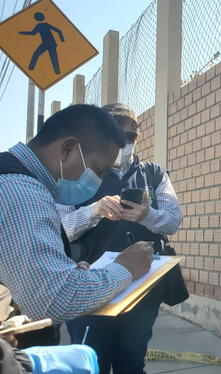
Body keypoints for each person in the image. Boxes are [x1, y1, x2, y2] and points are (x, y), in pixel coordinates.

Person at [56, 103, 187, 374]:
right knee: (93, 361)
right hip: (90, 285)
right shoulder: (75, 176)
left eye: (131, 137)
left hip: (141, 288)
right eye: (118, 135)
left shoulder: (155, 173)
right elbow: (59, 230)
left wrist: (148, 216)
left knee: (132, 360)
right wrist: (93, 211)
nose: (124, 143)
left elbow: (173, 220)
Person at [0, 104, 153, 328]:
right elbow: (54, 300)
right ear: (68, 149)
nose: (97, 182)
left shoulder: (14, 179)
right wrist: (125, 268)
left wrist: (66, 273)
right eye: (98, 170)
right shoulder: (22, 193)